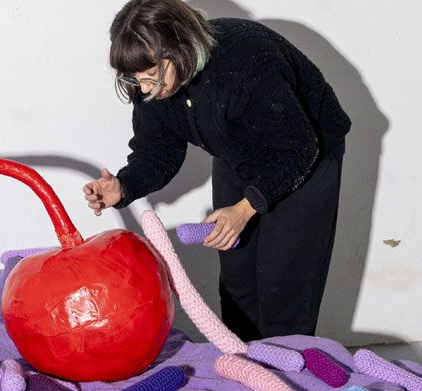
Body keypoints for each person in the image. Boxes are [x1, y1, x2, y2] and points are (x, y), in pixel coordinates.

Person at [83, 0, 351, 341]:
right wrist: (124, 186)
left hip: (305, 152)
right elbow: (156, 153)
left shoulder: (247, 63)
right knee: (238, 284)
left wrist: (244, 209)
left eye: (151, 77)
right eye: (136, 79)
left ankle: (286, 369)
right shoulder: (149, 86)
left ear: (179, 50)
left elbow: (299, 148)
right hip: (236, 149)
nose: (146, 89)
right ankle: (244, 364)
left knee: (284, 285)